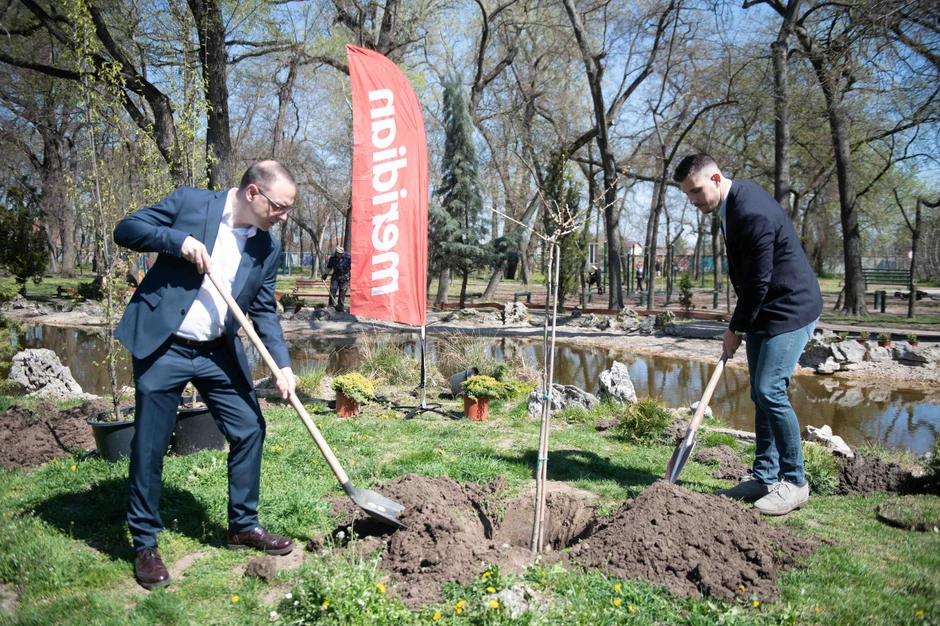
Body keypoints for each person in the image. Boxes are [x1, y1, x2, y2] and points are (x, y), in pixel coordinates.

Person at [113, 161, 298, 590]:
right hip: (166, 344)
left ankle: (243, 526)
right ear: (252, 193)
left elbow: (263, 311)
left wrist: (283, 365)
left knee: (249, 427)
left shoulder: (266, 247)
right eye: (280, 206)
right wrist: (178, 241)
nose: (284, 216)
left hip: (216, 350)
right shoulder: (191, 203)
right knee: (151, 443)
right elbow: (127, 229)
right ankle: (145, 543)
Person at [673, 153, 822, 516]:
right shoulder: (732, 205)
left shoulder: (751, 212)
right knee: (759, 393)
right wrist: (743, 324)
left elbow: (757, 282)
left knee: (770, 390)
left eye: (695, 191)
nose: (692, 201)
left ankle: (795, 482)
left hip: (790, 308)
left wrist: (734, 329)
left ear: (716, 179)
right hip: (763, 309)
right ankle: (764, 477)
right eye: (687, 194)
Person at [322, 246, 351, 312]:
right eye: (338, 253)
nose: (340, 255)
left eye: (341, 254)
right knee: (333, 289)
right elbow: (329, 267)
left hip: (345, 276)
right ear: (336, 252)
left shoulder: (348, 257)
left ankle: (340, 307)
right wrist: (325, 274)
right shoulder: (332, 257)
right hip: (336, 275)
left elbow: (353, 266)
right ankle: (331, 306)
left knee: (342, 291)